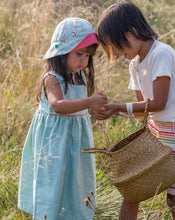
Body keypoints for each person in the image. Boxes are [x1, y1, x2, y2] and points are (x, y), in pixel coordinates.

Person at [95, 1, 175, 220]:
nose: (116, 52)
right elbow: (142, 110)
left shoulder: (161, 54)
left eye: (117, 45)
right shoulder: (134, 64)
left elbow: (158, 103)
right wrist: (113, 111)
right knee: (132, 192)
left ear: (132, 31)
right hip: (157, 134)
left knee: (174, 198)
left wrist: (116, 107)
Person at [18, 17, 107, 220]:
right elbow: (58, 106)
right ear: (62, 50)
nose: (84, 60)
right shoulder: (53, 77)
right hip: (54, 142)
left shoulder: (79, 76)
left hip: (76, 142)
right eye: (79, 54)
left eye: (87, 56)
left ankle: (72, 214)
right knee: (53, 180)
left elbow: (78, 107)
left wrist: (95, 108)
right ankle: (49, 215)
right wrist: (89, 102)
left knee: (74, 180)